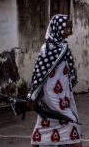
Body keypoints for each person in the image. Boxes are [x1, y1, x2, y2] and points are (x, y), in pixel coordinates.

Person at [26, 14, 82, 147]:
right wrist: (33, 96)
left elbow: (69, 71)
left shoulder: (63, 47)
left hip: (63, 95)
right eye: (66, 27)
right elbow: (39, 74)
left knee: (45, 122)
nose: (69, 31)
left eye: (69, 27)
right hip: (51, 95)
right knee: (71, 120)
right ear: (57, 28)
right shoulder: (47, 49)